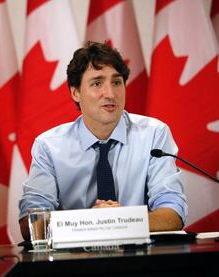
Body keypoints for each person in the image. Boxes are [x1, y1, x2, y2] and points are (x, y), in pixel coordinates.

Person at [19, 41, 188, 240]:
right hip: (74, 263)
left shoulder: (154, 134)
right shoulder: (49, 146)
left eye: (116, 82)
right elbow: (32, 224)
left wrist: (119, 221)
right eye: (97, 83)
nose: (110, 94)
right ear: (75, 93)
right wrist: (94, 222)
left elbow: (173, 213)